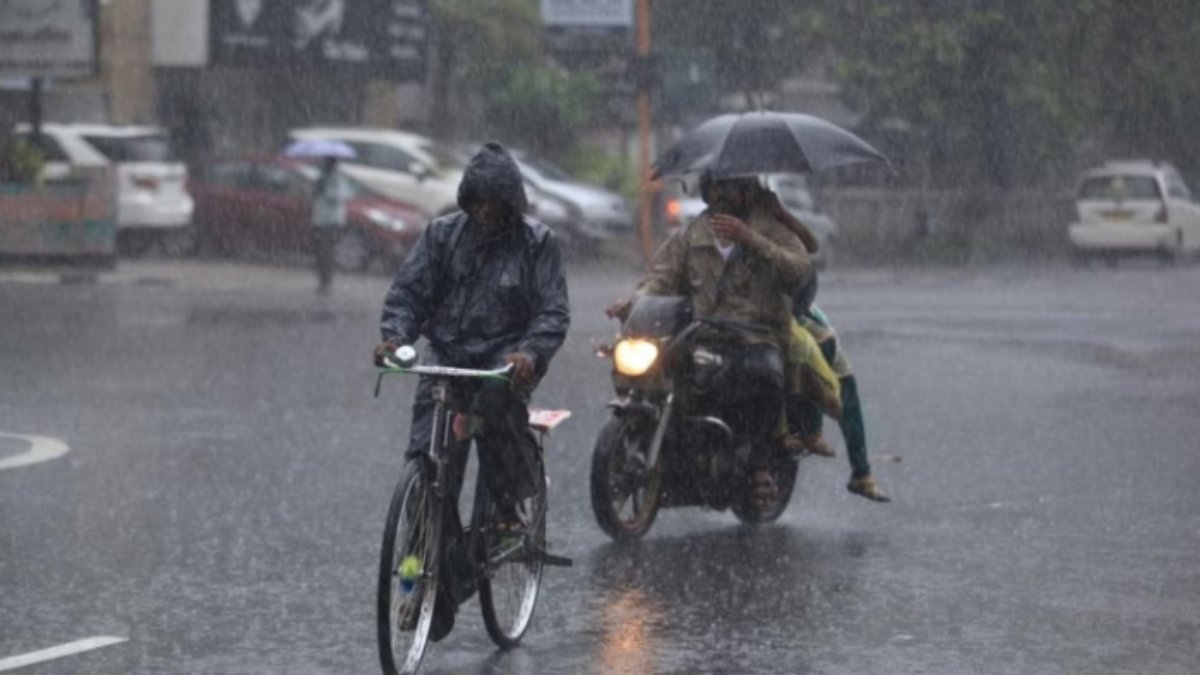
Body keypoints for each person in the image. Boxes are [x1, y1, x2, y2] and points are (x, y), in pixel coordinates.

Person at [373, 142, 570, 638]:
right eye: (477, 201)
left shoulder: (537, 244)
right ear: (466, 199)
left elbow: (552, 314)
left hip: (502, 367)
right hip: (446, 363)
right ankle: (423, 581)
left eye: (494, 203)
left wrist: (528, 354)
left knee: (495, 410)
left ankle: (513, 498)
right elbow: (408, 294)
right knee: (429, 469)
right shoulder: (441, 237)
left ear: (511, 203)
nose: (485, 212)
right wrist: (395, 337)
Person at [606, 173, 812, 504]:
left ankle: (760, 466)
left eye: (729, 186)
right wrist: (635, 303)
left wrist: (751, 240)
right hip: (703, 333)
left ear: (747, 189)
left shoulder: (771, 227)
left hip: (755, 335)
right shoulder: (694, 232)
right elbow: (662, 276)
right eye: (715, 186)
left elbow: (800, 272)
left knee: (764, 376)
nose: (720, 194)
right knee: (656, 370)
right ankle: (670, 447)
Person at [769, 199, 891, 503]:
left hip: (779, 315)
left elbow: (805, 259)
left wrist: (779, 219)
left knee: (828, 362)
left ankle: (855, 467)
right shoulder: (700, 232)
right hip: (728, 316)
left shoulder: (772, 224)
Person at [311, 156, 347, 294]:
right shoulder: (321, 177)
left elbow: (337, 196)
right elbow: (315, 197)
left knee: (326, 252)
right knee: (320, 252)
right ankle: (322, 281)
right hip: (319, 219)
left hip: (331, 221)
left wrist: (324, 188)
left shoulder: (336, 178)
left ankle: (326, 282)